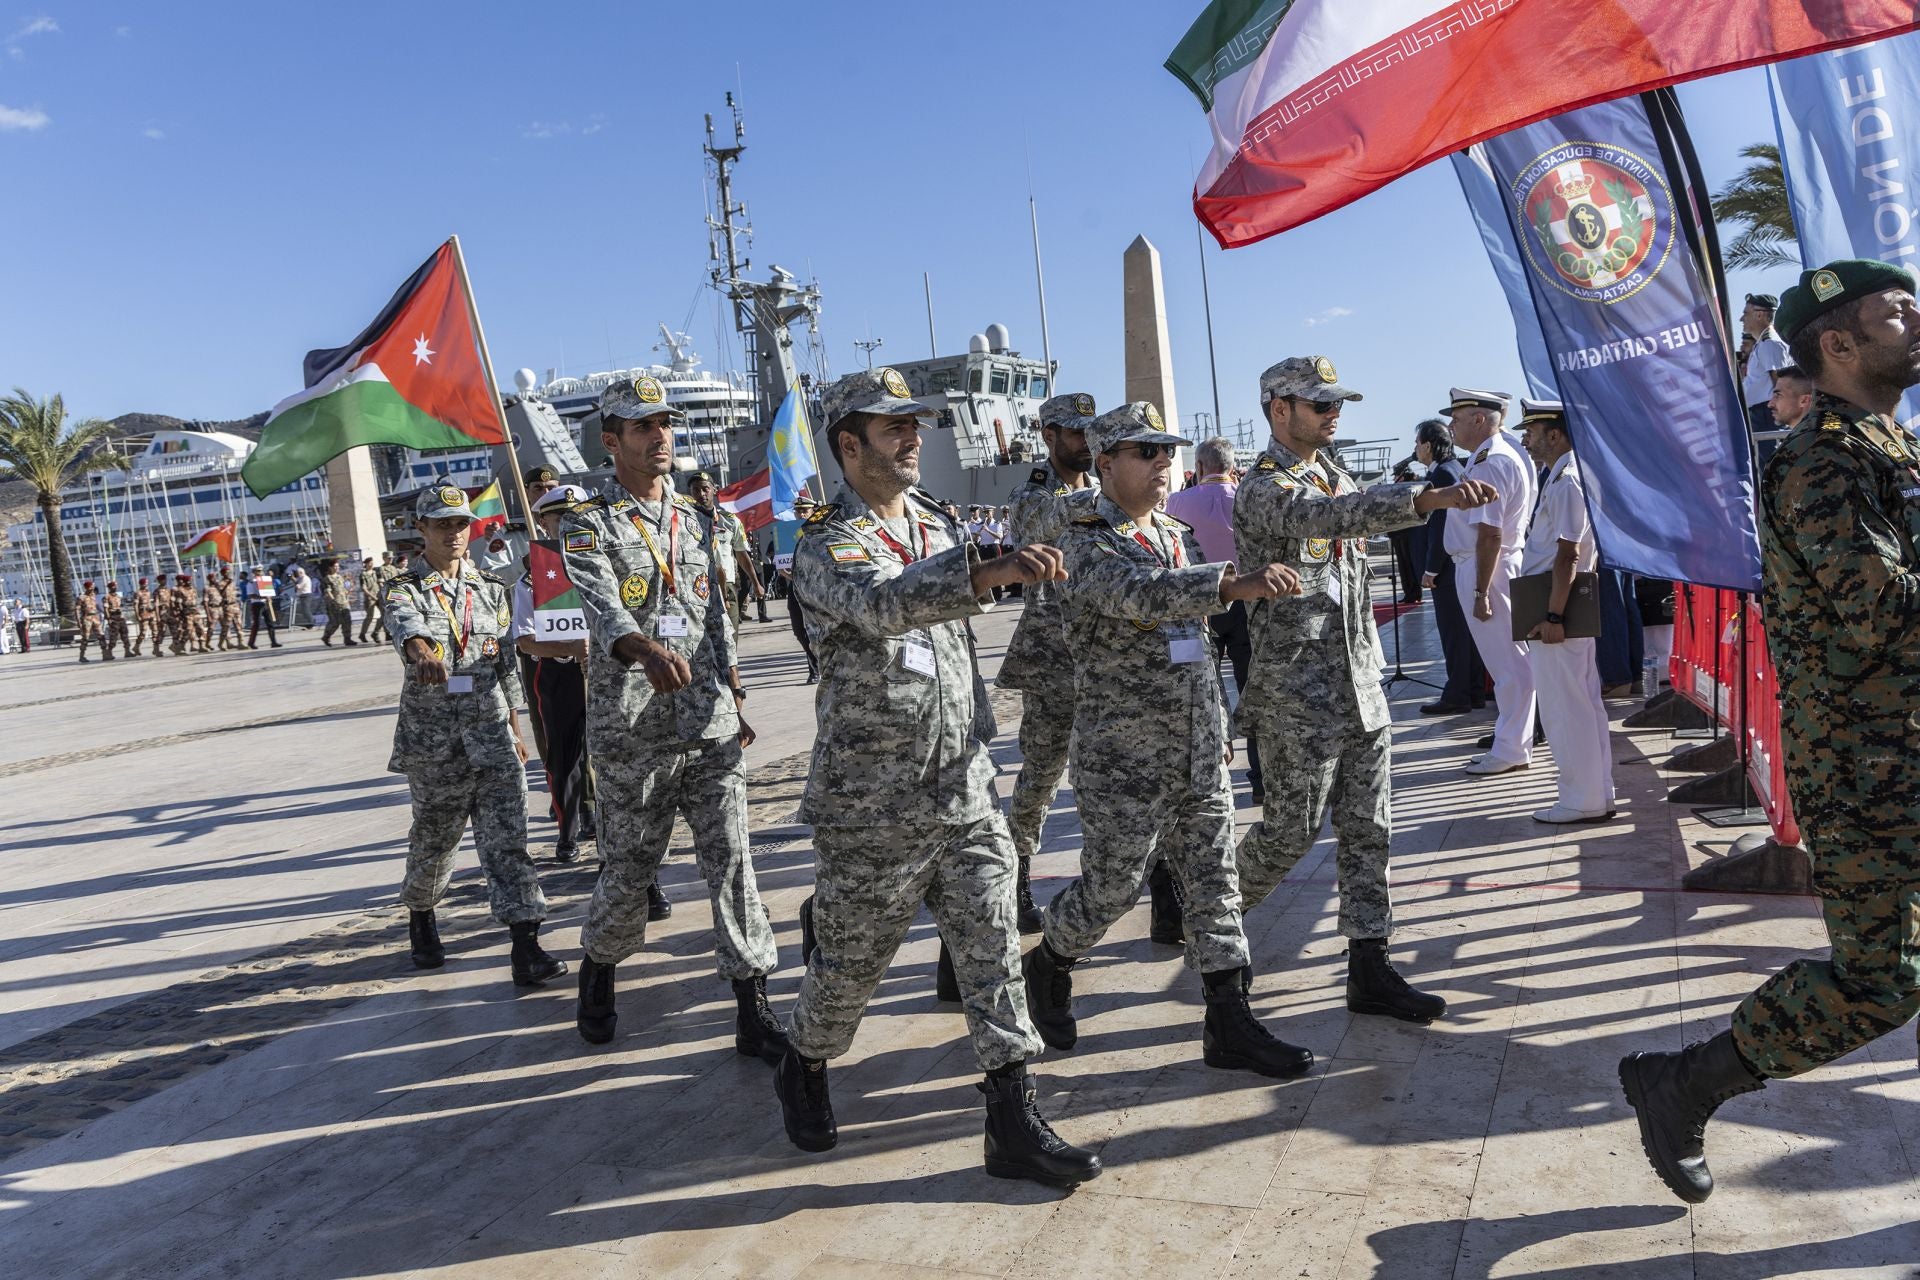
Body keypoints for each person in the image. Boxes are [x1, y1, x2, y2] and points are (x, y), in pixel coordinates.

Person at [1621, 258, 1920, 1203]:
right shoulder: (1819, 462)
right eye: (1897, 310)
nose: (1918, 319)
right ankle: (1686, 1083)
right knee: (1882, 981)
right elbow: (1883, 616)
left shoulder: (1889, 445)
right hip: (1870, 766)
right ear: (1837, 343)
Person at [775, 367, 1100, 1186]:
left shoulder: (934, 518)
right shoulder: (823, 537)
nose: (914, 436)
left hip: (963, 779)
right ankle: (805, 1061)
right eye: (894, 428)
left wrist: (982, 568)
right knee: (848, 973)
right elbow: (884, 607)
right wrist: (984, 573)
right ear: (850, 445)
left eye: (915, 424)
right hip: (872, 799)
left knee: (992, 952)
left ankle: (1013, 1120)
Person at [1024, 400, 1313, 1078]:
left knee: (1214, 884)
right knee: (1114, 887)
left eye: (1166, 451)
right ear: (1105, 463)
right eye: (1144, 452)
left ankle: (1230, 1020)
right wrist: (1234, 582)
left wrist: (1214, 721)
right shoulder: (1080, 533)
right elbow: (1138, 596)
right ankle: (1048, 961)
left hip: (1193, 742)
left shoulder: (1177, 533)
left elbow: (1196, 643)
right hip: (1123, 751)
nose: (1162, 462)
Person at [1233, 356, 1497, 1023]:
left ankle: (1369, 965)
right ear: (1278, 409)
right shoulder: (1265, 487)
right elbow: (1334, 516)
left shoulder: (1333, 470)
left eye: (1336, 404)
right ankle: (1209, 905)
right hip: (1298, 691)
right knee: (1290, 835)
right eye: (1320, 405)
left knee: (1369, 829)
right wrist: (1424, 498)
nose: (1334, 415)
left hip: (1359, 683)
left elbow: (1344, 513)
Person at [558, 375, 785, 1062]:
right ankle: (599, 964)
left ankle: (754, 1005)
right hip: (635, 729)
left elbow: (717, 613)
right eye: (642, 426)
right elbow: (604, 608)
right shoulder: (586, 522)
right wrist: (644, 648)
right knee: (630, 868)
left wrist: (734, 695)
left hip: (709, 719)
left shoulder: (701, 517)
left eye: (666, 424)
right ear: (612, 441)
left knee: (733, 862)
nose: (660, 436)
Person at [381, 483, 565, 990]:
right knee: (436, 841)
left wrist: (516, 725)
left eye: (460, 523)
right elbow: (406, 629)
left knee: (510, 843)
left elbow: (505, 661)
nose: (453, 533)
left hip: (492, 735)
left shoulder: (489, 587)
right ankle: (422, 916)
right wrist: (423, 655)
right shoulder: (404, 588)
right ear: (420, 529)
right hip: (435, 742)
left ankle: (526, 945)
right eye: (441, 524)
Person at [998, 392, 1101, 935]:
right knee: (1042, 774)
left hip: (1110, 658)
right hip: (1056, 661)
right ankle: (1015, 876)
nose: (1086, 442)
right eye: (1075, 432)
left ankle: (1141, 879)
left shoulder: (1105, 487)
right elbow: (1036, 526)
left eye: (1092, 432)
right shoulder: (1036, 494)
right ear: (1049, 435)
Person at [1516, 400, 1615, 824]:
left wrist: (1554, 616)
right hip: (1555, 603)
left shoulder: (1568, 480)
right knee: (1581, 702)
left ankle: (1583, 799)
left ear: (1554, 435)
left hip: (1557, 608)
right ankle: (1596, 792)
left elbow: (1568, 556)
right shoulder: (1559, 476)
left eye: (1532, 432)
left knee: (1565, 706)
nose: (1526, 440)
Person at [1441, 388, 1537, 774]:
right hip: (1499, 565)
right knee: (1512, 662)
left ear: (1478, 419)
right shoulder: (1505, 451)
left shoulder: (1490, 463)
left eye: (1457, 418)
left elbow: (1490, 534)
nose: (1450, 426)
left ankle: (1512, 748)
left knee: (1507, 665)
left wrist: (1481, 591)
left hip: (1488, 568)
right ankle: (1512, 741)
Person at [1166, 433, 1265, 808]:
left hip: (1200, 606)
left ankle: (1209, 777)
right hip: (1245, 602)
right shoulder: (1244, 499)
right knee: (1251, 690)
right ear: (1231, 465)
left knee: (1204, 693)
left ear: (1201, 467)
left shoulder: (1178, 501)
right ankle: (1260, 780)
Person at [513, 483, 594, 865]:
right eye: (559, 517)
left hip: (609, 674)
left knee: (616, 754)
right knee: (564, 759)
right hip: (560, 677)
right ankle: (568, 833)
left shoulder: (604, 566)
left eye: (575, 516)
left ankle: (611, 826)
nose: (567, 524)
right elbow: (526, 642)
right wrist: (571, 649)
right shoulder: (533, 581)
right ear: (543, 522)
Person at [1415, 419, 1486, 714]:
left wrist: (1431, 568)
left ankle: (1458, 693)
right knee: (1465, 632)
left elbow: (1441, 525)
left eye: (1418, 443)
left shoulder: (1443, 474)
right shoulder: (1456, 468)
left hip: (1448, 567)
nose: (1416, 450)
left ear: (1429, 446)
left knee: (1453, 632)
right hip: (1460, 563)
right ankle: (1472, 690)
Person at [685, 471, 767, 630]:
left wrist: (756, 583)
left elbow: (741, 554)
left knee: (730, 633)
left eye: (705, 489)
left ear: (714, 490)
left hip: (726, 586)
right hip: (697, 585)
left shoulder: (730, 521)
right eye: (696, 490)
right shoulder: (684, 521)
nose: (701, 494)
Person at [1738, 291, 1791, 437]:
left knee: (1769, 458)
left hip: (1767, 415)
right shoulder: (1763, 343)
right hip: (1760, 414)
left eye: (1746, 313)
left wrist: (1780, 415)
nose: (1741, 319)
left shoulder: (1770, 343)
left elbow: (1780, 382)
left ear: (1760, 315)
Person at [784, 495, 820, 683]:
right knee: (799, 630)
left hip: (818, 587)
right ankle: (816, 662)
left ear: (813, 511)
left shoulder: (823, 532)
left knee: (818, 628)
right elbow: (781, 567)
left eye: (805, 510)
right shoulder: (786, 534)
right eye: (798, 511)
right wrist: (787, 573)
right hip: (796, 586)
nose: (801, 514)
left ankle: (815, 670)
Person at [243, 564, 283, 649]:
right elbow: (251, 595)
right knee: (256, 624)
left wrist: (269, 597)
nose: (260, 573)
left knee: (270, 623)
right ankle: (251, 643)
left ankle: (273, 642)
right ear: (254, 572)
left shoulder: (265, 581)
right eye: (258, 571)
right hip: (256, 604)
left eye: (261, 571)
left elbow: (268, 591)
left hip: (265, 603)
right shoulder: (251, 582)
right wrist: (263, 597)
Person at [319, 559, 357, 647]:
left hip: (344, 602)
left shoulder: (340, 577)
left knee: (347, 621)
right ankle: (326, 636)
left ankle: (347, 639)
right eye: (335, 566)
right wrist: (333, 601)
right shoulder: (327, 578)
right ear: (330, 567)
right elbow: (328, 591)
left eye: (338, 566)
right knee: (335, 623)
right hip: (334, 604)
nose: (337, 568)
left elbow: (344, 589)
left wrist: (348, 593)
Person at [76, 581, 106, 663]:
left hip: (95, 617)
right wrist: (79, 621)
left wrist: (104, 612)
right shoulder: (81, 597)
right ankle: (82, 656)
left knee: (101, 635)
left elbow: (97, 605)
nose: (93, 588)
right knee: (85, 637)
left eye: (93, 587)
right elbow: (77, 610)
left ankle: (105, 654)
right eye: (91, 587)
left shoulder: (93, 596)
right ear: (87, 587)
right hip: (86, 618)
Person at [358, 557, 386, 644]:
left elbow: (380, 583)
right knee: (369, 618)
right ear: (365, 564)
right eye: (370, 563)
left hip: (379, 597)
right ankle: (362, 634)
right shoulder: (363, 574)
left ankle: (375, 633)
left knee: (384, 614)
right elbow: (364, 588)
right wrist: (372, 597)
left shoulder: (375, 572)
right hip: (370, 598)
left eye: (372, 562)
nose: (371, 564)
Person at [103, 582, 132, 659]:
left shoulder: (118, 596)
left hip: (120, 617)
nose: (115, 588)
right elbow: (106, 609)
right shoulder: (107, 597)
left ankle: (127, 651)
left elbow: (120, 607)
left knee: (125, 634)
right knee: (113, 636)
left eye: (115, 586)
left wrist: (123, 615)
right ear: (110, 588)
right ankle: (109, 653)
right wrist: (108, 619)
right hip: (113, 617)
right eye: (113, 586)